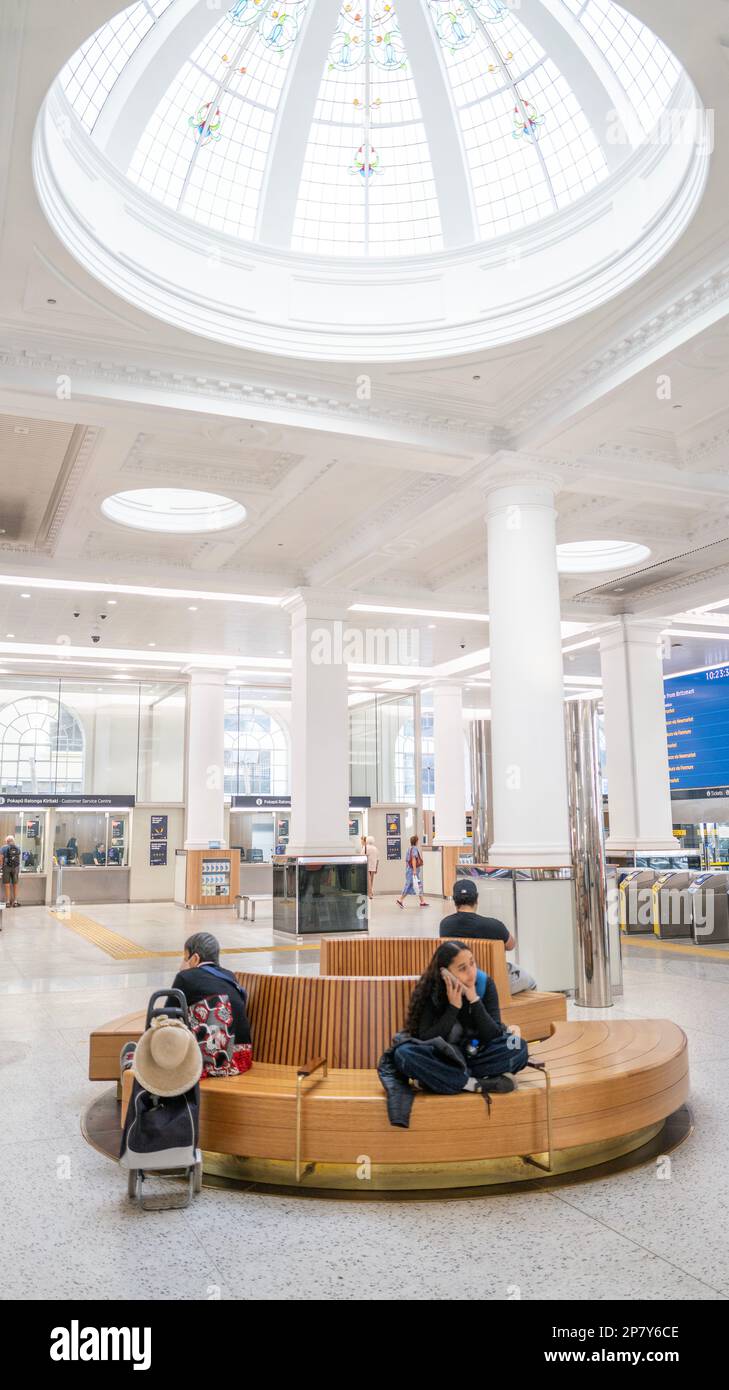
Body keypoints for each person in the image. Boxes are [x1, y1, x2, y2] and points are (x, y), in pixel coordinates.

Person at [392, 940, 529, 1096]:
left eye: (472, 963)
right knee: (403, 1054)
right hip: (444, 1058)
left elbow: (494, 1034)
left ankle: (442, 1079)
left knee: (518, 1046)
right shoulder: (434, 989)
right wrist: (453, 1008)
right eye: (462, 969)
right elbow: (425, 1038)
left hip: (477, 1055)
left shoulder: (484, 984)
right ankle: (473, 1083)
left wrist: (474, 1000)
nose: (471, 972)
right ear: (445, 972)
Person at [439, 878, 536, 993]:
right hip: (493, 982)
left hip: (460, 981)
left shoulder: (445, 925)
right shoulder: (494, 925)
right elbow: (511, 945)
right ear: (476, 899)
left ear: (455, 900)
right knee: (530, 982)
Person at [171, 932, 251, 1045]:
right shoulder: (230, 976)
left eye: (185, 958)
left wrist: (182, 971)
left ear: (195, 958)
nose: (183, 962)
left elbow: (167, 1017)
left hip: (208, 1059)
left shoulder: (185, 977)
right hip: (241, 1056)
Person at [396, 834, 428, 909]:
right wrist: (414, 870)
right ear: (416, 841)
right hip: (412, 871)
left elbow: (407, 861)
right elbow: (413, 859)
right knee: (409, 885)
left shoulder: (409, 849)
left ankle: (422, 901)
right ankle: (400, 900)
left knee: (418, 885)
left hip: (410, 870)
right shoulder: (414, 849)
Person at [1, 835, 21, 907]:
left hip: (6, 867)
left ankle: (8, 902)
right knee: (15, 884)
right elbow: (18, 858)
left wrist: (1, 866)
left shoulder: (3, 848)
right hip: (15, 867)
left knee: (7, 885)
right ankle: (15, 902)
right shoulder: (17, 847)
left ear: (6, 841)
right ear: (13, 841)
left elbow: (1, 858)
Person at [365, 835, 379, 899]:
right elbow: (377, 859)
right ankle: (371, 892)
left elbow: (362, 855)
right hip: (373, 865)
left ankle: (370, 893)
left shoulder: (365, 847)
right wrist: (376, 867)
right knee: (371, 880)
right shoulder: (375, 848)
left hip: (367, 865)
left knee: (368, 880)